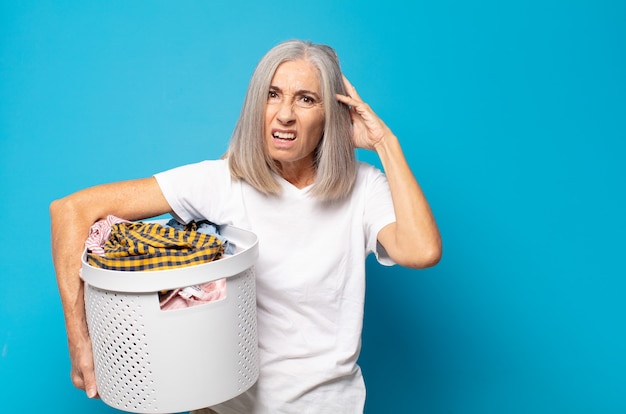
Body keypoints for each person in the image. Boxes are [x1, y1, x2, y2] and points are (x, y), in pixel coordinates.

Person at [50, 39, 441, 413]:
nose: (284, 113)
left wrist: (386, 143)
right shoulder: (223, 181)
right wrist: (81, 343)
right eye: (273, 95)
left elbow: (421, 251)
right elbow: (70, 211)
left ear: (332, 115)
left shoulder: (363, 186)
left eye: (306, 99)